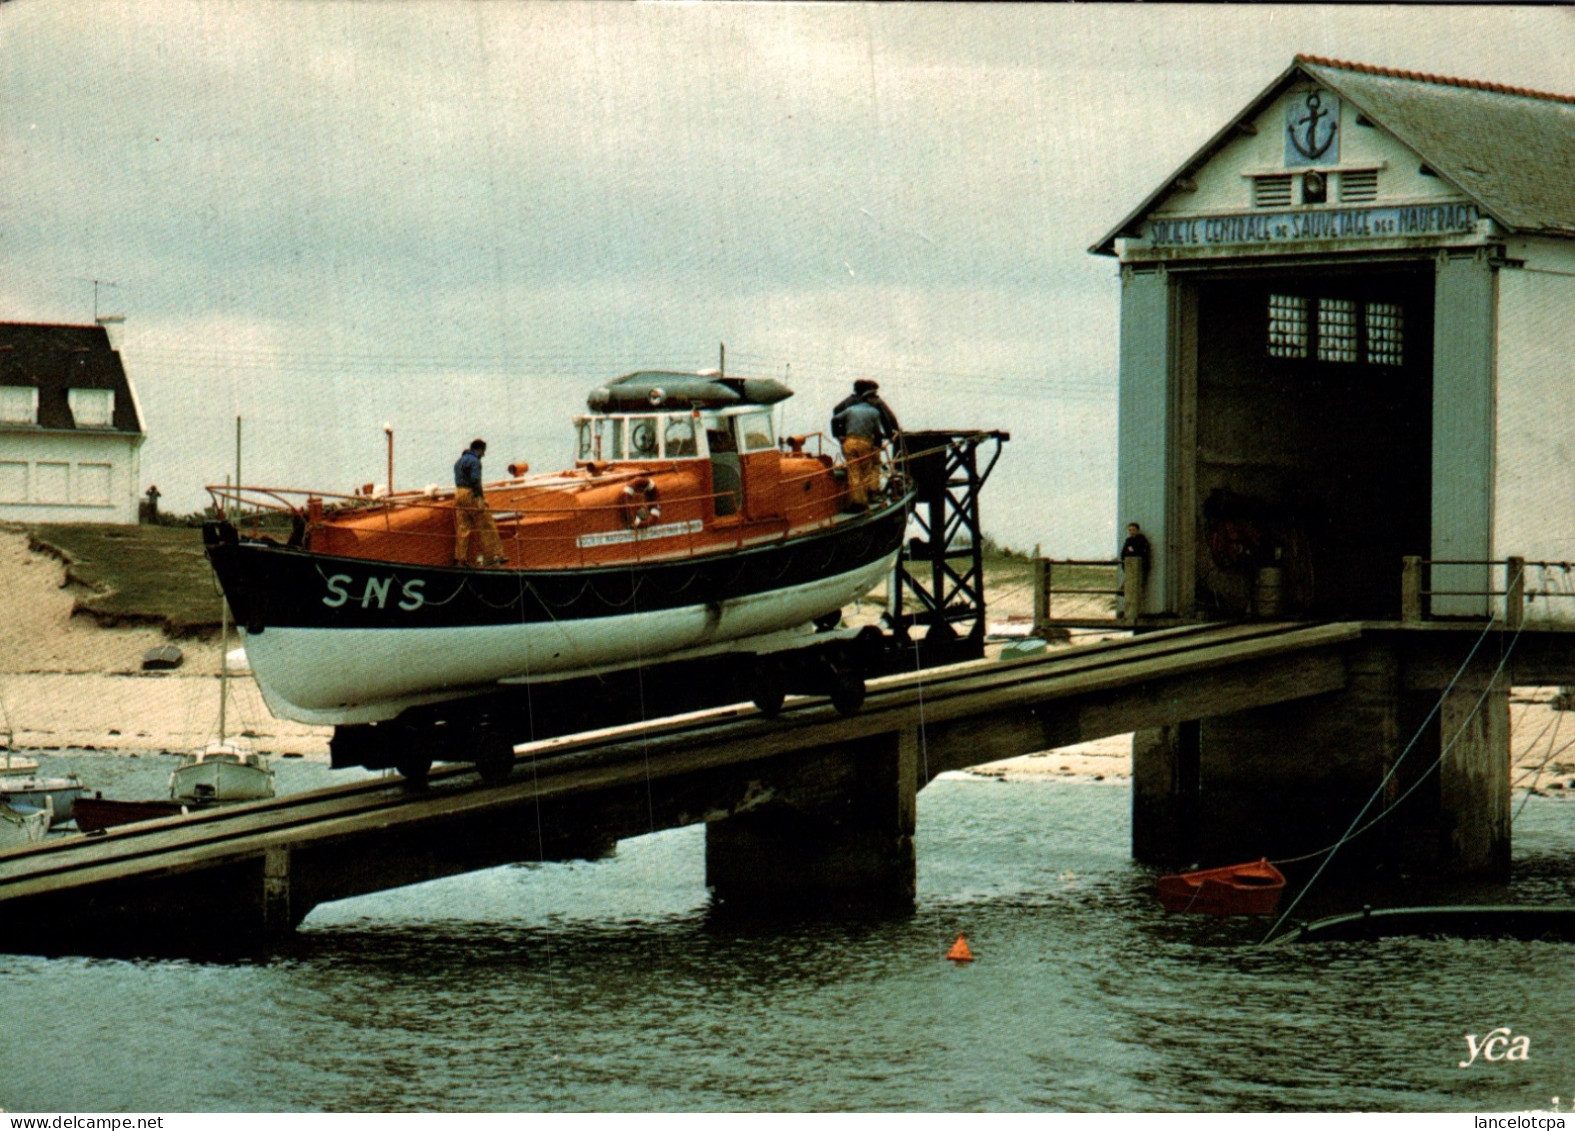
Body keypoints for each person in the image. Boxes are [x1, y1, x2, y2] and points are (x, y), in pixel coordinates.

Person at [830, 379, 900, 512]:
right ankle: (872, 494)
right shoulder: (874, 403)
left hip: (848, 441)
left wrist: (840, 434)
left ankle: (857, 500)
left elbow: (836, 412)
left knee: (854, 471)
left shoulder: (848, 402)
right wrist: (892, 434)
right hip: (869, 442)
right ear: (869, 391)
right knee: (872, 467)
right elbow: (887, 419)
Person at [453, 439, 507, 567]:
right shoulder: (475, 461)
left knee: (463, 528)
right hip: (470, 494)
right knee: (486, 524)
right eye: (483, 452)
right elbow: (475, 480)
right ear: (479, 449)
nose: (483, 455)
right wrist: (480, 498)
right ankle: (493, 556)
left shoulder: (458, 462)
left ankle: (460, 559)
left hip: (459, 494)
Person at [1119, 522, 1150, 625]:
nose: (1131, 532)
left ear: (1137, 530)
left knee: (1134, 590)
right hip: (1129, 567)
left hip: (1138, 568)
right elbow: (1124, 553)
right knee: (1129, 590)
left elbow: (1142, 553)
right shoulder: (1128, 540)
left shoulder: (1142, 540)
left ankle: (1132, 614)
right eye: (1129, 530)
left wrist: (1132, 552)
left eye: (1132, 530)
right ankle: (1128, 612)